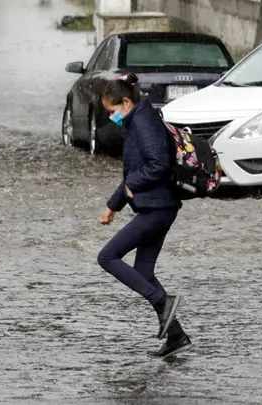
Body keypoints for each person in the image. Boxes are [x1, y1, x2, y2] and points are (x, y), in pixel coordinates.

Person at [97, 73, 192, 358]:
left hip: (156, 209)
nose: (111, 117)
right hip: (159, 207)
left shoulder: (143, 122)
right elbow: (136, 172)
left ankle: (163, 301)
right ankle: (176, 335)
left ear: (125, 102)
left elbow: (158, 165)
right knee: (144, 271)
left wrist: (131, 186)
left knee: (108, 257)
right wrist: (113, 206)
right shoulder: (139, 120)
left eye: (112, 111)